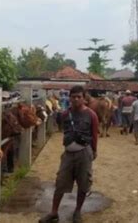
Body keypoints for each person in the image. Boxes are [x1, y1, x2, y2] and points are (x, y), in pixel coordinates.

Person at [39, 85, 99, 223]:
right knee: (60, 182)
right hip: (68, 154)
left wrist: (94, 151)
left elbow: (94, 134)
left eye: (79, 97)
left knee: (83, 184)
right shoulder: (65, 114)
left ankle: (77, 211)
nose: (76, 99)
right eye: (73, 97)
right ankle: (54, 212)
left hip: (84, 153)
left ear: (84, 99)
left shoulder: (91, 115)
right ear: (69, 98)